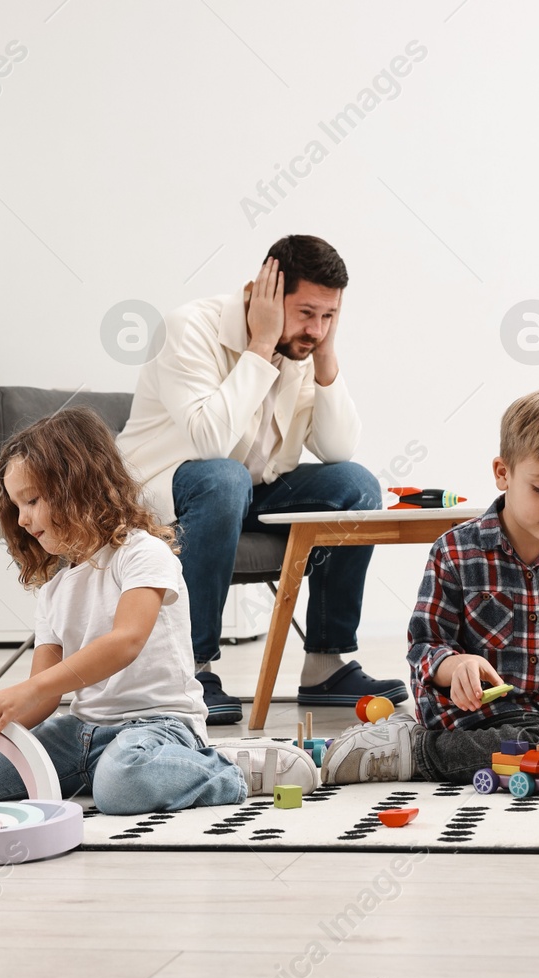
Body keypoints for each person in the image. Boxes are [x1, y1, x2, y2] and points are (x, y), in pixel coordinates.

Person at [0, 407, 317, 814]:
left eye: (33, 500)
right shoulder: (55, 589)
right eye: (16, 506)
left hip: (158, 725)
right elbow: (43, 697)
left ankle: (236, 769)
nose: (22, 519)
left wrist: (26, 690)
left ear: (76, 487)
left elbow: (126, 641)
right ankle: (109, 771)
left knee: (124, 783)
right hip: (82, 732)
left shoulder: (142, 553)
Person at [117, 234, 404, 725]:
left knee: (355, 485)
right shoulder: (188, 328)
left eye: (329, 317)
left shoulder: (301, 350)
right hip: (166, 488)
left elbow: (337, 449)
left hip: (249, 489)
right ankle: (191, 670)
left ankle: (325, 665)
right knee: (223, 478)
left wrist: (325, 358)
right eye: (307, 313)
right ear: (263, 293)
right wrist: (261, 346)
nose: (315, 329)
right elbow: (209, 441)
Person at [318, 390, 539, 786]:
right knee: (530, 742)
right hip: (473, 720)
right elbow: (425, 648)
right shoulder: (455, 552)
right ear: (503, 473)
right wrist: (457, 666)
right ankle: (417, 751)